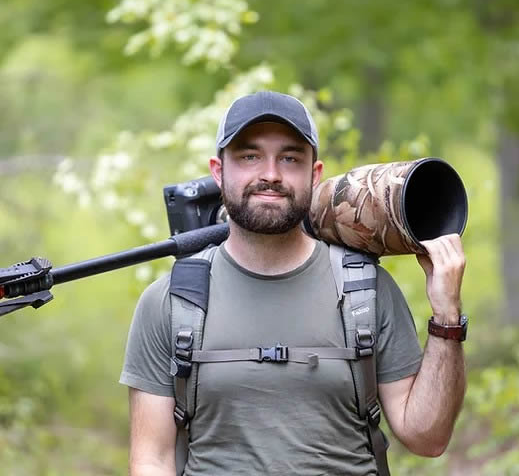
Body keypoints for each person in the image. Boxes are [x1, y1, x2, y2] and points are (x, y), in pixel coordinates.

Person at [120, 90, 467, 476]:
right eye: (250, 156)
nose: (270, 174)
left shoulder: (364, 290)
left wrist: (446, 318)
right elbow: (153, 460)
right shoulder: (171, 302)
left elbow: (428, 438)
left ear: (314, 174)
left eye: (290, 158)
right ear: (218, 171)